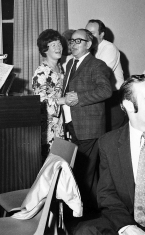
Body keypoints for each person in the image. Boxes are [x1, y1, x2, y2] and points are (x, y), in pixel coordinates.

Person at [74, 75, 145, 235]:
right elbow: (107, 194)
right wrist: (127, 227)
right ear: (129, 105)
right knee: (85, 231)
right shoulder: (108, 143)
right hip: (127, 220)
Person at [62, 28, 113, 211]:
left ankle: (87, 215)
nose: (73, 44)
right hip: (73, 125)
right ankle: (86, 212)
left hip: (90, 128)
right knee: (81, 172)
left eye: (78, 41)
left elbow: (105, 91)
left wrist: (80, 98)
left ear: (89, 44)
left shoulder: (97, 65)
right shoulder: (70, 64)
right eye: (72, 41)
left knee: (85, 173)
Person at [86, 19, 126, 131]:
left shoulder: (109, 48)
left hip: (113, 99)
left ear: (102, 34)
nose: (88, 36)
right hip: (101, 97)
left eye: (92, 33)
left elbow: (98, 75)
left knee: (113, 133)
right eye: (86, 33)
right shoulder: (90, 50)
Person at [32, 29, 65, 156]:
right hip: (48, 128)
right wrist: (63, 100)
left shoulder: (59, 68)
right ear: (45, 49)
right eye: (53, 45)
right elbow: (40, 102)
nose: (58, 47)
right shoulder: (41, 72)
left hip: (60, 124)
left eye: (59, 44)